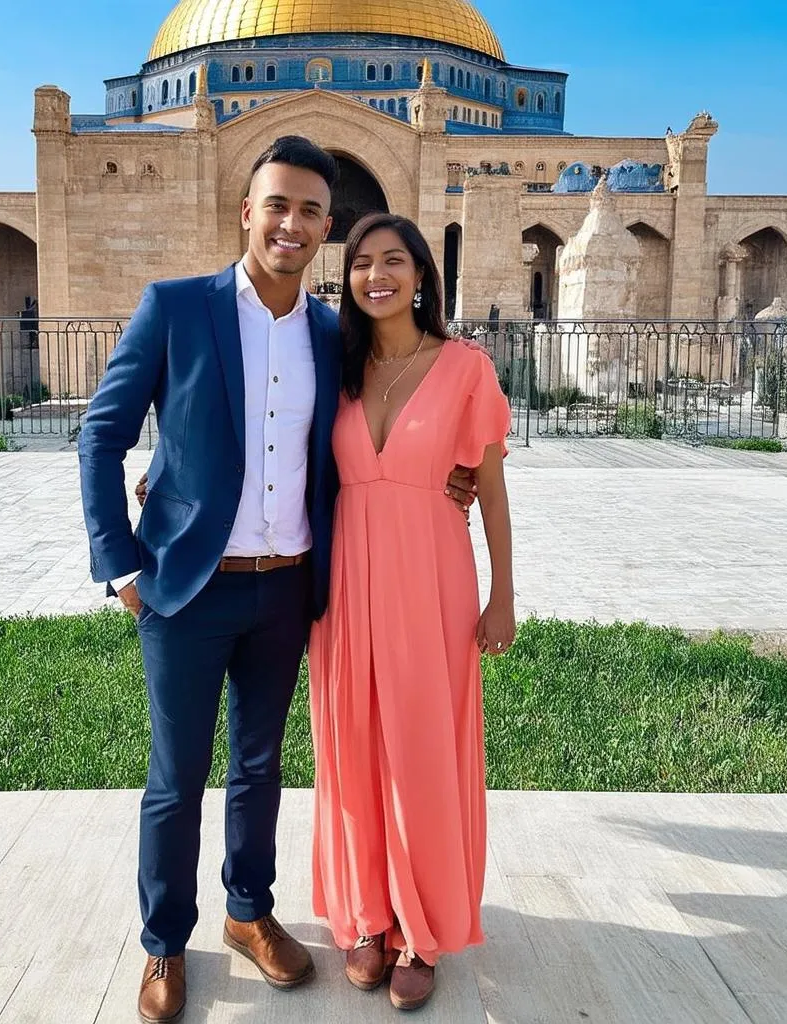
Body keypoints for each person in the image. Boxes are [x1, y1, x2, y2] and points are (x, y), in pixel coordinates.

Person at [77, 136, 475, 1024]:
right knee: (177, 777)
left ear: (324, 228)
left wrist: (451, 474)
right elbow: (101, 434)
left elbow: (386, 421)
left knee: (260, 767)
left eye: (308, 211)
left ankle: (247, 911)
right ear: (247, 211)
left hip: (290, 586)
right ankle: (163, 943)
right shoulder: (176, 308)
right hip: (186, 586)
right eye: (276, 205)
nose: (290, 223)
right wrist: (119, 561)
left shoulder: (336, 336)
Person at [307, 213, 515, 1011]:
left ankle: (423, 931)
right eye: (361, 262)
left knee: (425, 750)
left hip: (433, 575)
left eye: (394, 260)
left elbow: (489, 489)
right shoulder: (338, 363)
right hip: (345, 580)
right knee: (352, 743)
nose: (376, 274)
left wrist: (503, 592)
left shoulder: (465, 368)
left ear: (422, 275)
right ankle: (365, 916)